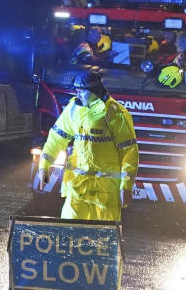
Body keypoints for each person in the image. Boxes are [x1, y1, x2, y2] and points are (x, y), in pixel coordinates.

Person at [38, 70, 139, 221]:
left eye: (81, 91)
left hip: (105, 193)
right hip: (77, 188)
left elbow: (129, 152)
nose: (77, 95)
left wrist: (126, 186)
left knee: (104, 238)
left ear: (94, 91)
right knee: (70, 233)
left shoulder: (116, 113)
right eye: (76, 91)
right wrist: (44, 166)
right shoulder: (73, 110)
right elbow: (56, 139)